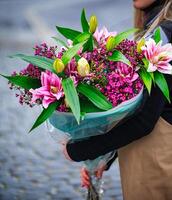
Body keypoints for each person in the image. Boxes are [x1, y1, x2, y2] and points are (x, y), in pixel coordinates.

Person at [62, 0, 172, 199]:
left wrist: (80, 150)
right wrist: (103, 158)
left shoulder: (163, 33)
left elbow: (145, 119)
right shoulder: (155, 27)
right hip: (148, 155)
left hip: (156, 159)